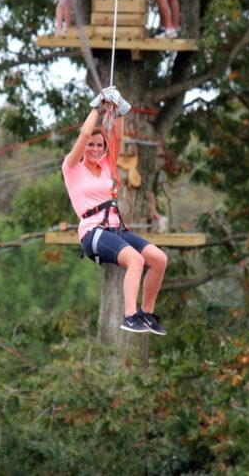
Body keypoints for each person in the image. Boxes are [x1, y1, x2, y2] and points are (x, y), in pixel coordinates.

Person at [62, 87, 169, 335]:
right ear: (83, 147)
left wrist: (120, 110)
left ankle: (146, 313)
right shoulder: (72, 168)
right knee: (136, 260)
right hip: (93, 232)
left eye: (99, 145)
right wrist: (97, 107)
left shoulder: (107, 165)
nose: (95, 148)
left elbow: (117, 139)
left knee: (159, 260)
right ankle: (129, 316)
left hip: (116, 229)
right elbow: (85, 133)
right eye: (90, 145)